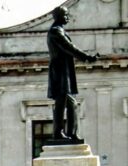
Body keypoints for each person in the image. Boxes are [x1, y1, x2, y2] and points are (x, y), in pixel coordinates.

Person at [47, 6, 98, 141]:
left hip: (64, 71)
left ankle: (72, 133)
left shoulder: (58, 30)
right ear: (58, 17)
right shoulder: (55, 31)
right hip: (60, 72)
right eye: (65, 15)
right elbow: (69, 47)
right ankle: (59, 132)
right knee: (61, 103)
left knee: (71, 104)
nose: (68, 18)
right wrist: (86, 57)